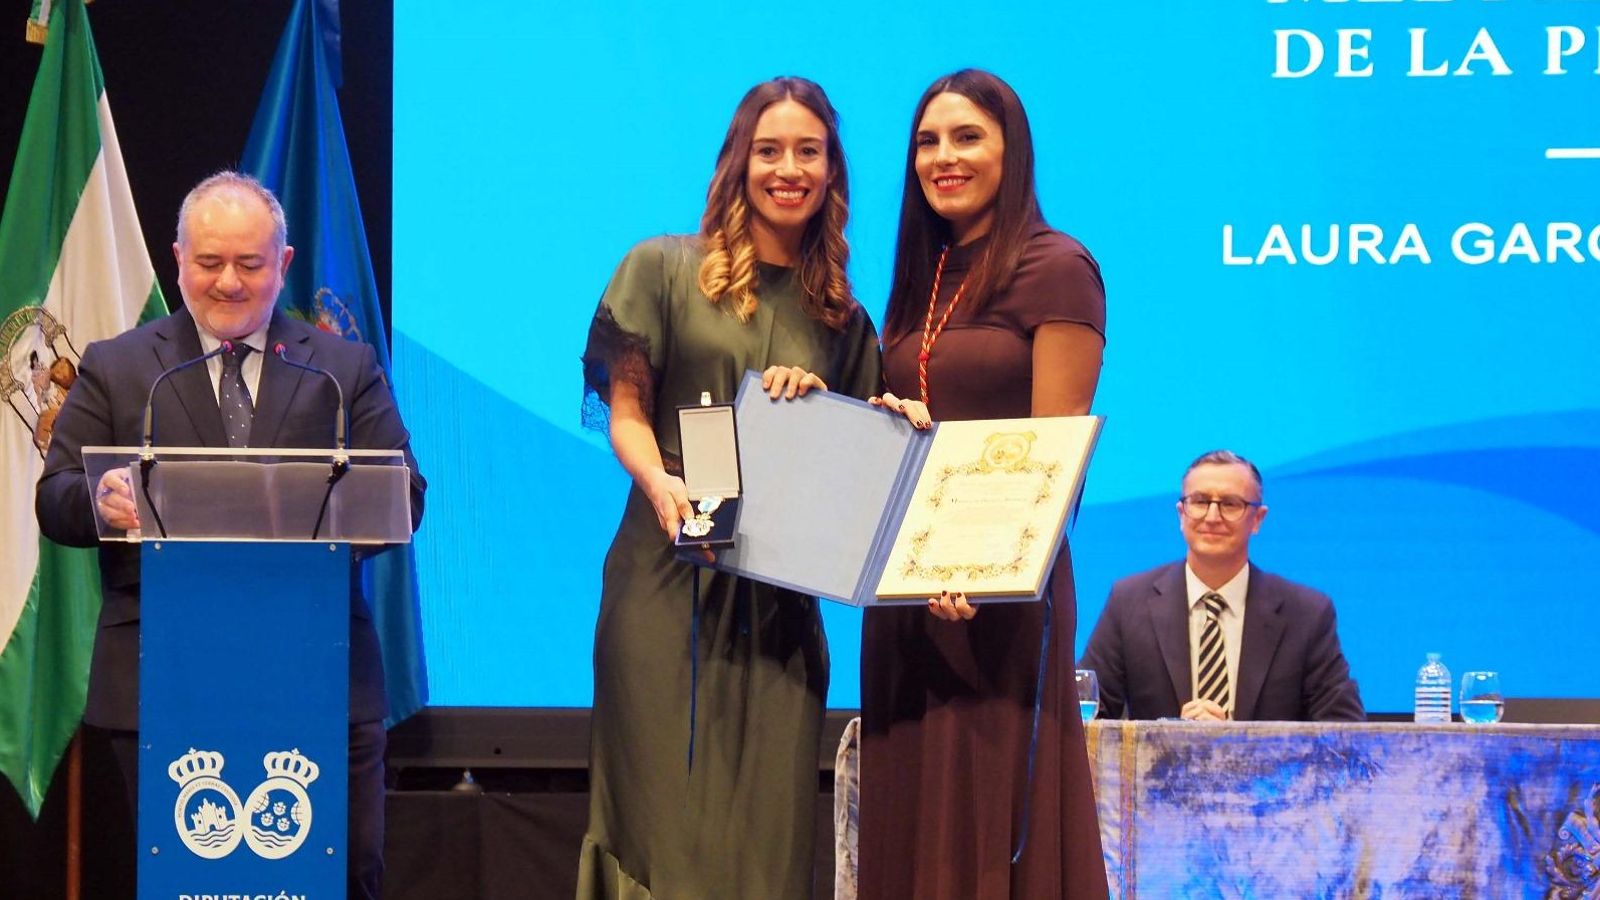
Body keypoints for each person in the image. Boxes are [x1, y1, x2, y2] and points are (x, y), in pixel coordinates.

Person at [35, 171, 425, 900]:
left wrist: (335, 509)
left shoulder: (343, 368)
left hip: (319, 670)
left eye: (249, 264)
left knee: (343, 873)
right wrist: (104, 500)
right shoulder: (120, 367)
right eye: (209, 262)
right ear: (177, 257)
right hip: (160, 673)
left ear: (283, 263)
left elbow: (405, 493)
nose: (228, 283)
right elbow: (55, 500)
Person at [576, 77, 881, 899]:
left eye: (808, 152)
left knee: (765, 839)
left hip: (779, 607)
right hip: (664, 579)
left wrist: (825, 408)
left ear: (832, 172)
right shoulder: (663, 268)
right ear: (738, 162)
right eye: (770, 150)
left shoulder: (843, 319)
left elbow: (852, 471)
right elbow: (628, 412)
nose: (789, 169)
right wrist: (661, 482)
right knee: (662, 827)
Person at [858, 69, 1109, 900]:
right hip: (906, 593)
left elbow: (1053, 455)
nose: (943, 157)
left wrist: (981, 570)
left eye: (967, 137)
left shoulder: (1057, 266)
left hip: (997, 597)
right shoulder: (918, 278)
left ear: (1012, 150)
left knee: (993, 817)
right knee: (912, 815)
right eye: (928, 141)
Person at [1078, 450, 1364, 722]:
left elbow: (1344, 731)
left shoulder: (1307, 613)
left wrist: (1233, 744)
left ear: (1257, 519)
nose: (1212, 517)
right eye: (1200, 501)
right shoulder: (1129, 601)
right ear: (1181, 513)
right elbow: (1084, 716)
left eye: (1230, 504)